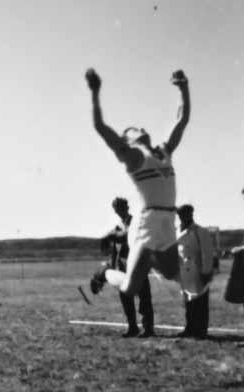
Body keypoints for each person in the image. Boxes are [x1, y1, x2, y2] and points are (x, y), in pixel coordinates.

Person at [85, 68, 190, 296]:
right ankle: (105, 272)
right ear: (127, 141)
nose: (140, 128)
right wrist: (95, 92)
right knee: (130, 288)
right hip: (148, 221)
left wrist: (184, 88)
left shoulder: (164, 151)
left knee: (174, 274)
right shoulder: (133, 157)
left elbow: (182, 120)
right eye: (133, 129)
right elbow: (100, 127)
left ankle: (150, 260)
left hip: (168, 219)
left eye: (141, 127)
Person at [96, 197, 155, 338]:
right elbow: (114, 252)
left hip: (138, 267)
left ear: (127, 207)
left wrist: (110, 236)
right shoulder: (117, 228)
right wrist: (112, 267)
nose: (119, 211)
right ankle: (132, 327)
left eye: (121, 207)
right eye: (116, 208)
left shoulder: (135, 223)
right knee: (126, 301)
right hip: (122, 270)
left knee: (144, 300)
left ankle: (148, 328)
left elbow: (127, 236)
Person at [176, 204, 214, 338]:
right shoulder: (178, 231)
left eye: (187, 213)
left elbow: (207, 253)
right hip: (184, 273)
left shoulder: (200, 231)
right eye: (181, 214)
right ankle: (190, 328)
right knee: (188, 302)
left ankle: (201, 331)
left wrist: (206, 272)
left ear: (191, 214)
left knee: (200, 303)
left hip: (197, 271)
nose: (184, 216)